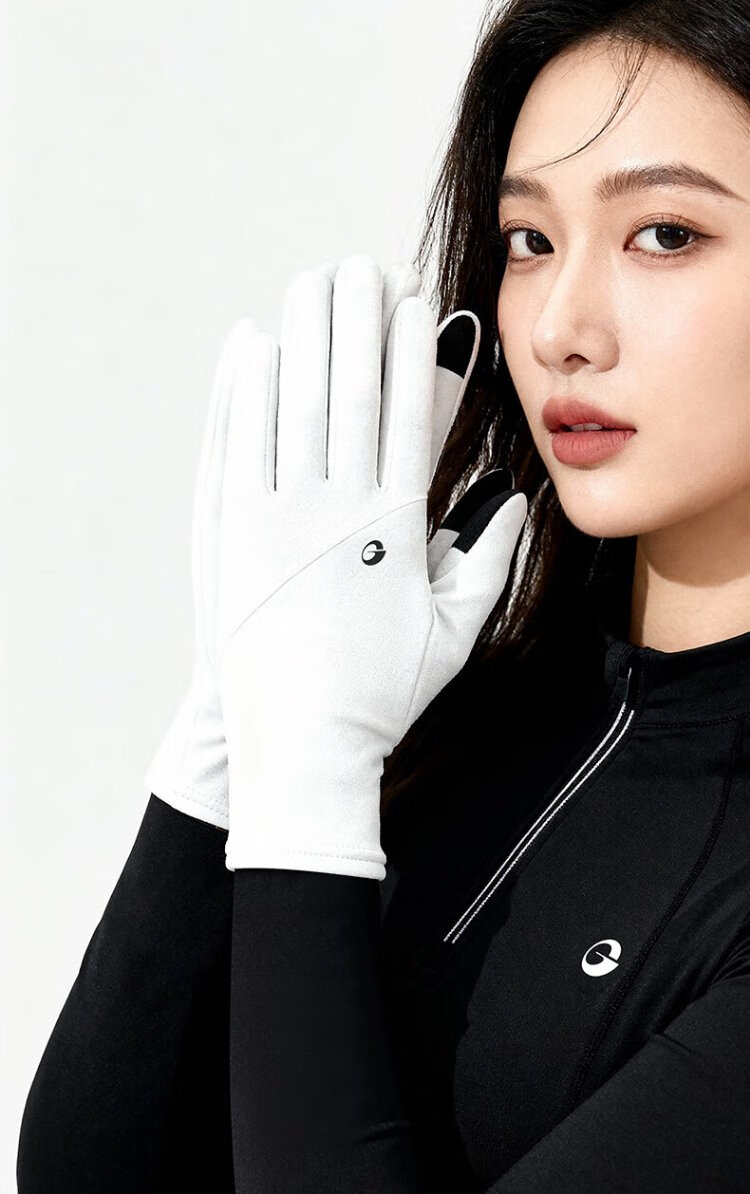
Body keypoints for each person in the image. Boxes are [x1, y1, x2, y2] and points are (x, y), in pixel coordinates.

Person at [16, 0, 750, 1190]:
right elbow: (88, 1172)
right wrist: (234, 730)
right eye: (529, 240)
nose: (560, 328)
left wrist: (310, 785)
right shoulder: (445, 700)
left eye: (664, 234)